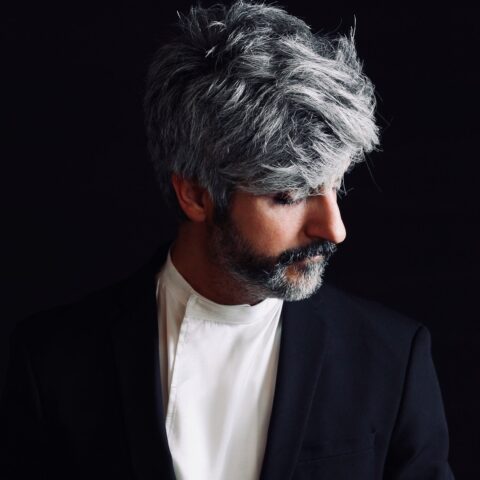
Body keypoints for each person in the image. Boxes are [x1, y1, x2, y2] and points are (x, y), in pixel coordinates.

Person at [0, 1, 454, 478]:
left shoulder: (393, 358)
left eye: (335, 186)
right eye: (290, 195)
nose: (334, 229)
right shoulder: (53, 363)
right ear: (196, 195)